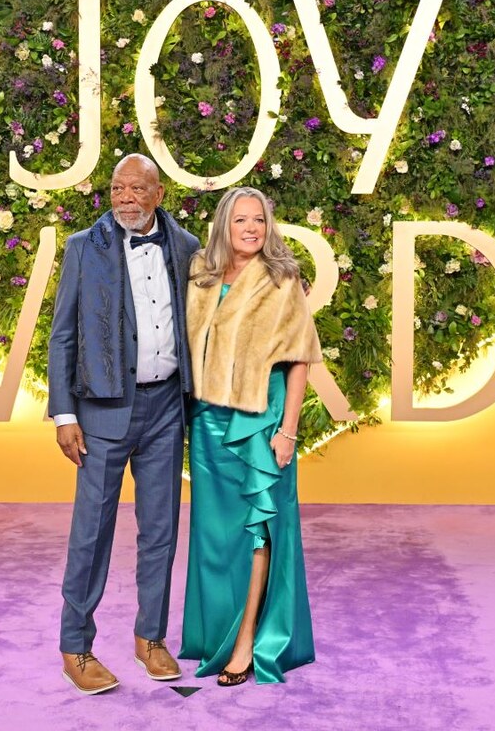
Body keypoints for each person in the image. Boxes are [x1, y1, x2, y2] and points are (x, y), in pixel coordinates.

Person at [47, 153, 200, 695]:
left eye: (136, 188)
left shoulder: (185, 247)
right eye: (117, 188)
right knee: (91, 533)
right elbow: (63, 334)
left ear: (158, 194)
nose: (125, 197)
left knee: (161, 530)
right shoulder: (83, 248)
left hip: (166, 410)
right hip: (103, 411)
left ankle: (150, 638)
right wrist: (64, 413)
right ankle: (76, 647)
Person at [178, 186, 322, 686]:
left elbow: (300, 358)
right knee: (216, 537)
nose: (250, 228)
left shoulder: (283, 277)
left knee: (257, 529)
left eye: (258, 220)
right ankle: (215, 632)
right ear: (224, 225)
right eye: (241, 220)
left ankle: (247, 643)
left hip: (262, 420)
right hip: (207, 422)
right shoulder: (201, 273)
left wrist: (288, 432)